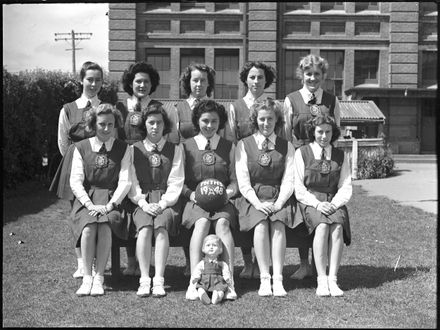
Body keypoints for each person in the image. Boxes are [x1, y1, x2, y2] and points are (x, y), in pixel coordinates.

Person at [282, 54, 341, 280]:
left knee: (325, 208)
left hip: (324, 162)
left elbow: (335, 133)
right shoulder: (291, 100)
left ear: (323, 76)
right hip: (300, 159)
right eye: (308, 74)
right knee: (302, 210)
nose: (312, 78)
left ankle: (321, 265)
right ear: (301, 75)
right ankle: (304, 263)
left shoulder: (332, 100)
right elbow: (287, 135)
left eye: (317, 74)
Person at [235, 98, 295, 297]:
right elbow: (243, 181)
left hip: (279, 197)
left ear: (277, 120)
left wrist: (278, 203)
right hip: (254, 198)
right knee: (260, 225)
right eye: (262, 119)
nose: (266, 123)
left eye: (270, 119)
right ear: (255, 120)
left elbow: (289, 179)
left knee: (277, 225)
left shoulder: (287, 146)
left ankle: (278, 278)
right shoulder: (244, 145)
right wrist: (258, 203)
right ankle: (264, 278)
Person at [70, 103, 132, 296]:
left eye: (111, 124)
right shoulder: (80, 148)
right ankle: (87, 277)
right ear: (93, 124)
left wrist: (110, 205)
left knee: (105, 226)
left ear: (116, 125)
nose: (106, 129)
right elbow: (75, 180)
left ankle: (99, 278)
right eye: (102, 124)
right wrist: (88, 204)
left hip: (113, 200)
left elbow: (126, 180)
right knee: (89, 227)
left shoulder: (124, 148)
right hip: (87, 199)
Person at [223, 61, 276, 280]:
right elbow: (232, 138)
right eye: (252, 77)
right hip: (244, 166)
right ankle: (247, 262)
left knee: (265, 214)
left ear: (266, 81)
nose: (256, 81)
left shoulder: (274, 105)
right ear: (245, 79)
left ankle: (259, 261)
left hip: (267, 166)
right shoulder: (236, 106)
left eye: (260, 77)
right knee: (244, 211)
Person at [49, 61, 103, 279]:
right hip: (74, 165)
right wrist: (75, 162)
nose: (93, 83)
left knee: (98, 211)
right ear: (82, 80)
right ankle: (81, 262)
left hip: (100, 166)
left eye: (98, 80)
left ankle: (96, 260)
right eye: (89, 79)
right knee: (76, 213)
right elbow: (63, 141)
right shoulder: (68, 109)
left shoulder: (105, 107)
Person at [182, 99, 238, 301]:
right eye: (205, 120)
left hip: (222, 201)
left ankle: (229, 282)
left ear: (220, 122)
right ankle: (195, 283)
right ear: (197, 121)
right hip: (196, 201)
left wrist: (226, 194)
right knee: (202, 222)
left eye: (214, 121)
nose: (209, 125)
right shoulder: (186, 147)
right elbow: (180, 181)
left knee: (223, 224)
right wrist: (192, 195)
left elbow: (235, 181)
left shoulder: (229, 146)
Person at [128, 103, 184, 298]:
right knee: (144, 229)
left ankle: (159, 279)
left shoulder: (174, 149)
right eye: (151, 122)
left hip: (166, 201)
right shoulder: (133, 150)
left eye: (159, 123)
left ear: (164, 125)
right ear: (144, 125)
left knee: (161, 228)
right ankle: (144, 279)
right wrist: (143, 203)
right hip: (142, 201)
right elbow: (131, 181)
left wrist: (162, 204)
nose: (155, 127)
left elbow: (176, 181)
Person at [166, 63, 216, 276]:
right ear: (188, 82)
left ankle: (213, 261)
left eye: (203, 80)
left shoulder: (214, 107)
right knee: (190, 212)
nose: (199, 84)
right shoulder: (179, 108)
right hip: (187, 165)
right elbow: (174, 139)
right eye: (195, 80)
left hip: (212, 166)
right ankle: (190, 260)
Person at [293, 114, 352, 297]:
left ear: (333, 133)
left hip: (333, 201)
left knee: (336, 228)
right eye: (320, 132)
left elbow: (346, 185)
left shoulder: (341, 155)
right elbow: (299, 187)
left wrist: (334, 204)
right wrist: (318, 205)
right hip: (310, 201)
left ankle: (333, 279)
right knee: (322, 226)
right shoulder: (302, 153)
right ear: (313, 132)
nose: (324, 136)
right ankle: (321, 279)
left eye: (328, 132)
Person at [116, 61, 163, 276]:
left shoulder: (157, 107)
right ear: (130, 83)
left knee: (148, 207)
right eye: (138, 81)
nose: (142, 85)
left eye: (146, 81)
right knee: (128, 208)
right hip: (126, 160)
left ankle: (147, 259)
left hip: (149, 161)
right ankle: (131, 261)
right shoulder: (120, 106)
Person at [192, 234, 233, 305]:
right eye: (208, 245)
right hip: (205, 281)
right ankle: (203, 295)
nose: (211, 247)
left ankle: (217, 297)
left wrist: (227, 278)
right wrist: (196, 278)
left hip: (218, 281)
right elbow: (197, 271)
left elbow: (226, 272)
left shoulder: (221, 263)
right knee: (200, 288)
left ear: (220, 249)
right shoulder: (202, 263)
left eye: (214, 245)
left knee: (221, 290)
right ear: (203, 249)